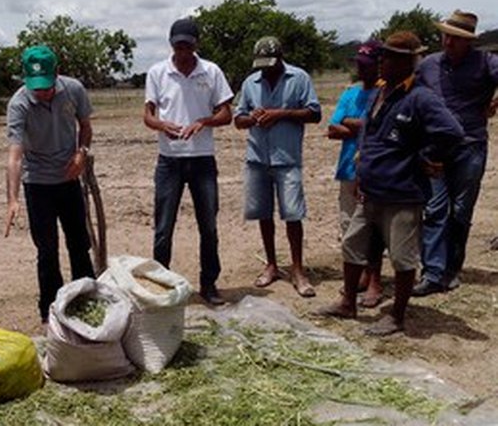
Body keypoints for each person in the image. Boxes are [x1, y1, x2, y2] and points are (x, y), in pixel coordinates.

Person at [317, 31, 464, 336]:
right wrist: (361, 173)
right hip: (370, 190)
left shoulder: (421, 98)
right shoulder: (379, 93)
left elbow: (452, 133)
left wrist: (428, 157)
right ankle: (348, 303)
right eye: (383, 55)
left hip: (402, 194)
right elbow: (368, 137)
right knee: (353, 245)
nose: (382, 62)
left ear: (407, 62)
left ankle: (397, 316)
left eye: (390, 57)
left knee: (401, 256)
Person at [143, 17, 234, 306]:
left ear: (196, 45)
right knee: (163, 227)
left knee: (208, 225)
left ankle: (209, 283)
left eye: (188, 46)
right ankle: (162, 284)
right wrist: (162, 126)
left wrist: (203, 122)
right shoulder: (158, 72)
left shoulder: (211, 71)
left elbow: (226, 114)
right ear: (171, 44)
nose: (183, 52)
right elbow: (147, 115)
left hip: (202, 160)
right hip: (169, 160)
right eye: (178, 45)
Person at [5, 44, 95, 323]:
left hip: (69, 179)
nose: (41, 92)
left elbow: (86, 127)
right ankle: (51, 310)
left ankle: (88, 300)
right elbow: (15, 156)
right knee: (46, 250)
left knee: (79, 243)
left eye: (46, 85)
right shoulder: (18, 104)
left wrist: (81, 154)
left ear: (57, 73)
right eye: (36, 87)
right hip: (38, 184)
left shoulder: (74, 90)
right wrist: (13, 199)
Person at [413, 10, 498, 297]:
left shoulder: (486, 63)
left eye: (456, 38)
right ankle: (432, 273)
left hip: (470, 145)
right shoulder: (428, 65)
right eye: (446, 35)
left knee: (461, 211)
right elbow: (410, 92)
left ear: (469, 42)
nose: (448, 42)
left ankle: (452, 269)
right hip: (434, 147)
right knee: (434, 208)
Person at [234, 36, 321, 297]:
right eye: (262, 65)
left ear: (281, 58)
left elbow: (314, 114)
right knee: (263, 214)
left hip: (287, 159)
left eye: (270, 64)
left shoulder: (299, 78)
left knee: (293, 215)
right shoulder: (251, 83)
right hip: (257, 159)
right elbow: (238, 119)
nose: (266, 69)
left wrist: (281, 114)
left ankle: (297, 269)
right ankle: (271, 265)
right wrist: (254, 118)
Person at [327, 40, 384, 308]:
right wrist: (364, 126)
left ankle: (375, 279)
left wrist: (352, 124)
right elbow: (332, 128)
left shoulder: (386, 94)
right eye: (358, 64)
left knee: (373, 227)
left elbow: (381, 128)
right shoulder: (351, 94)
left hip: (375, 170)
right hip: (348, 169)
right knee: (349, 225)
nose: (360, 69)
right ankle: (358, 276)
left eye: (365, 64)